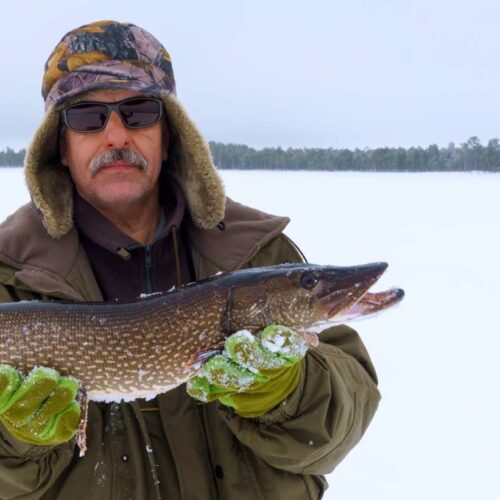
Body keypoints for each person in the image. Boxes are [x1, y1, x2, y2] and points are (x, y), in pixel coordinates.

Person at [0, 20, 380, 499]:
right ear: (60, 143)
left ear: (169, 133)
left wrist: (287, 393)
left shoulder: (255, 251)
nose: (115, 135)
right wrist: (16, 442)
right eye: (87, 118)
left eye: (138, 113)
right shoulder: (9, 273)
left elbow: (340, 429)